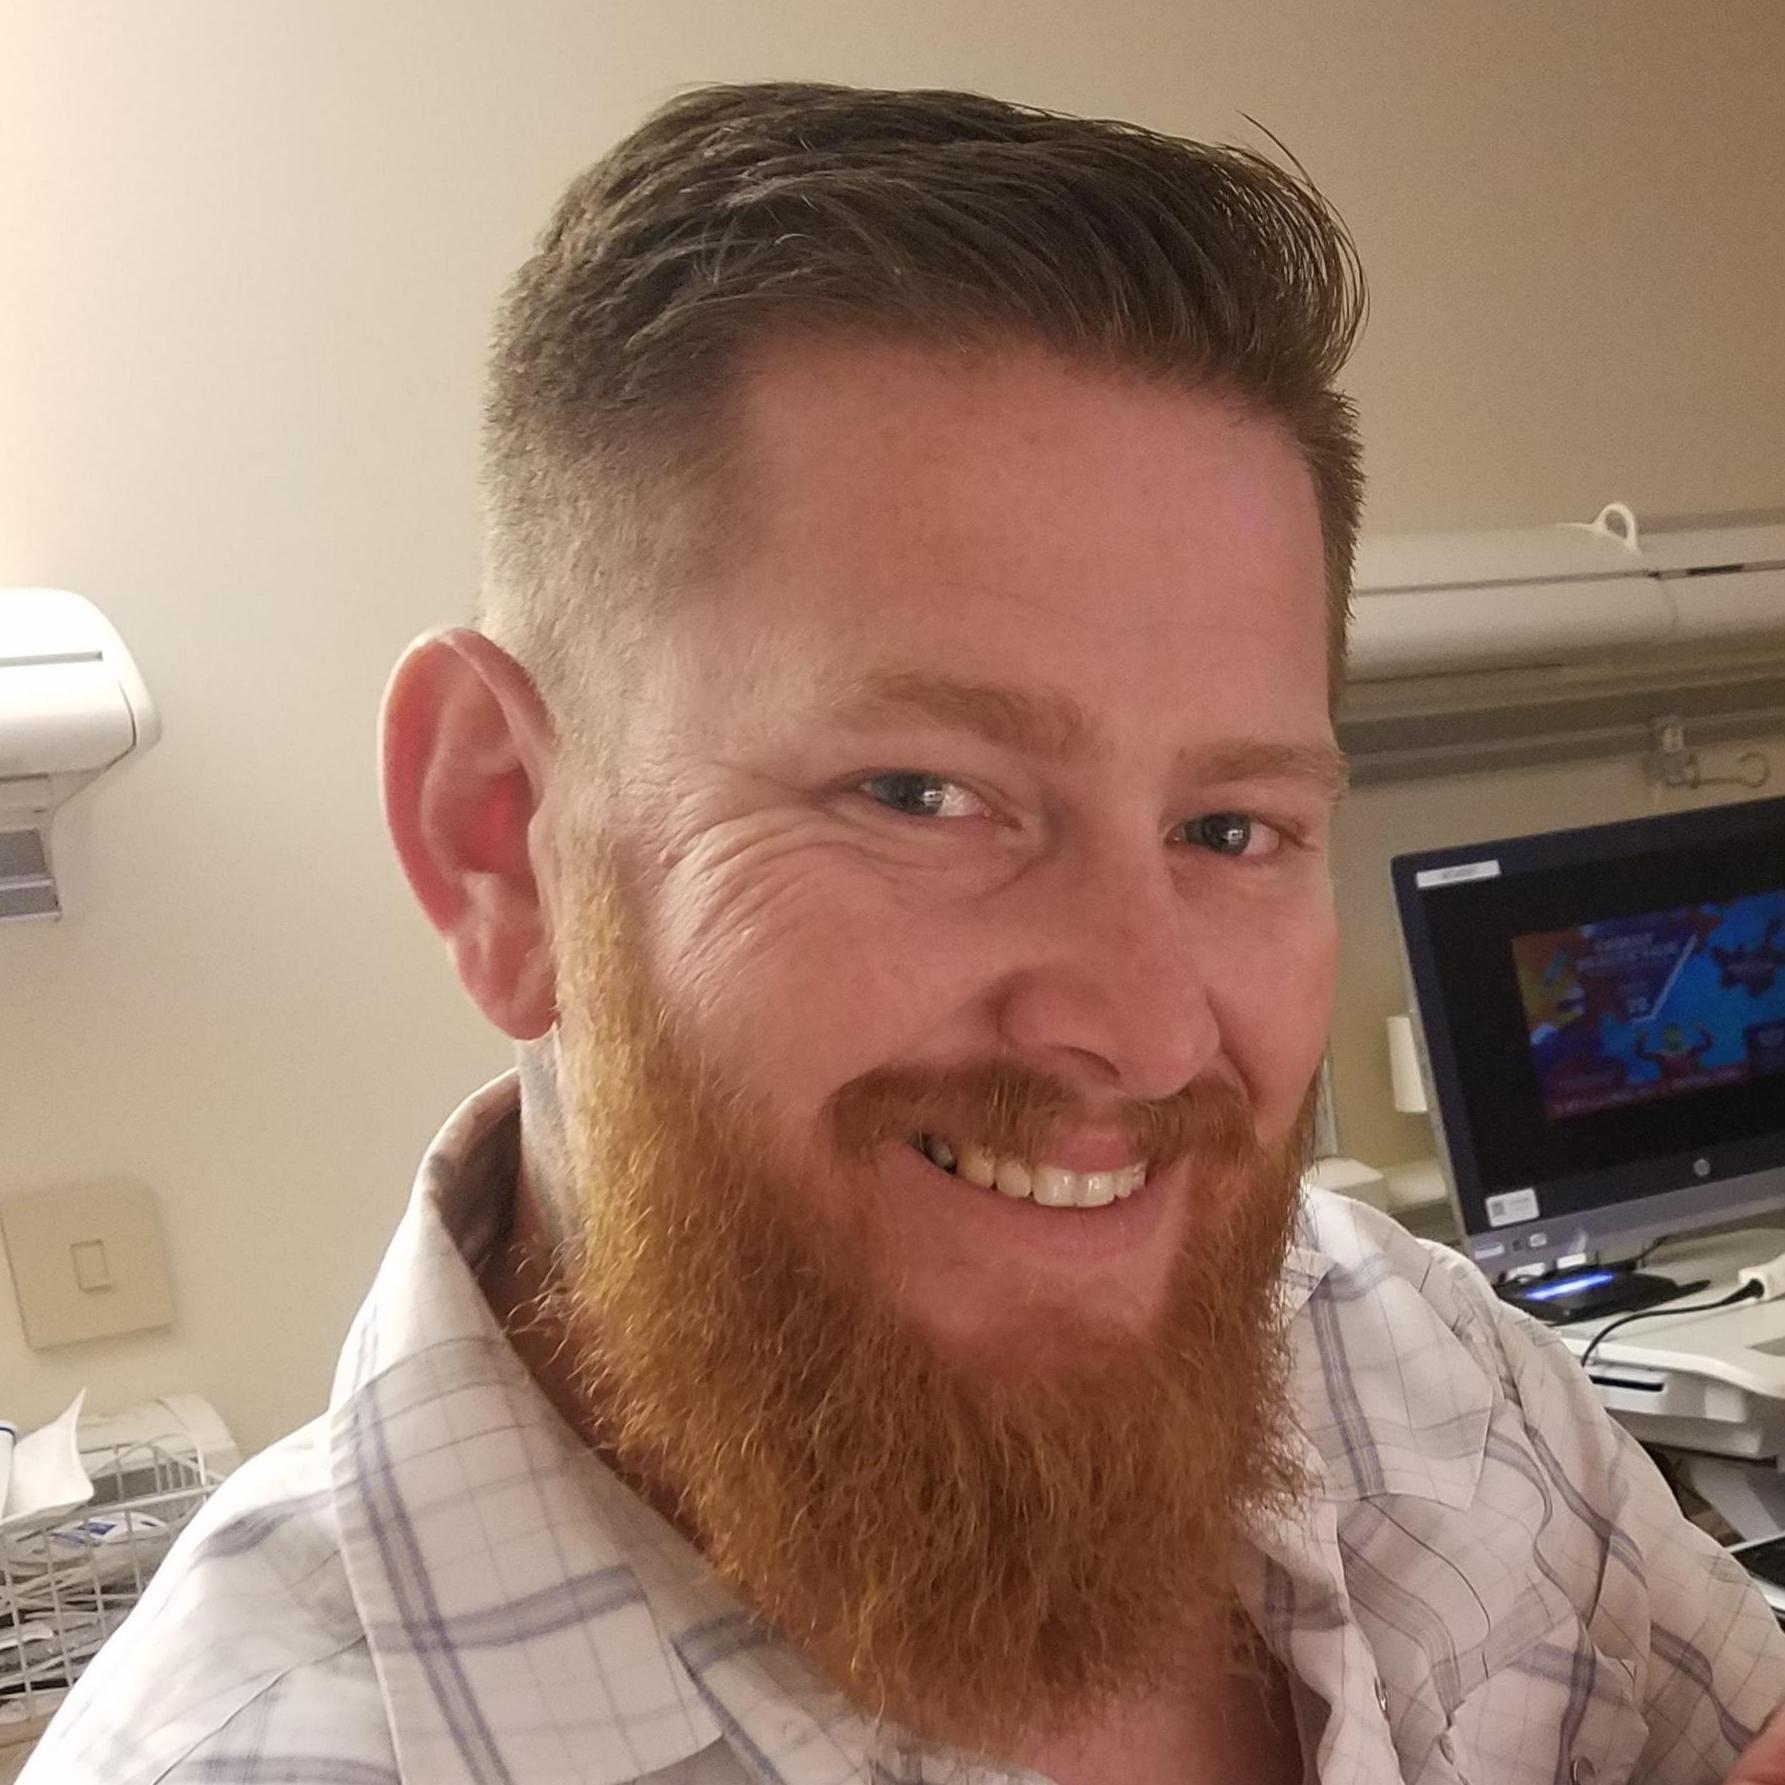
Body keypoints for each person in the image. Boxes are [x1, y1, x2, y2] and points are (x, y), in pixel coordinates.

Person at [26, 81, 1785, 1785]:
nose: (1146, 1027)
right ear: (501, 840)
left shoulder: (1403, 1352)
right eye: (921, 793)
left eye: (1227, 827)